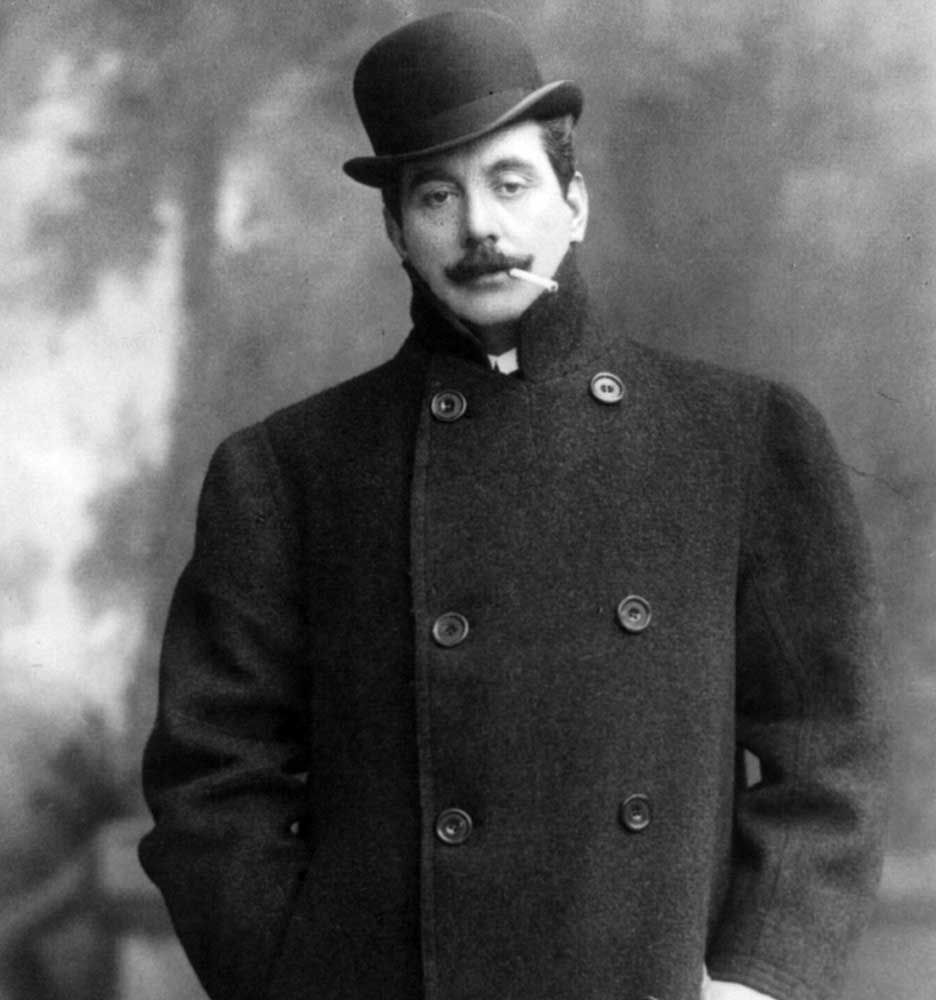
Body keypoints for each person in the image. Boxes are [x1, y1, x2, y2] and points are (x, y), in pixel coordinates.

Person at [139, 10, 888, 1000]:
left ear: (574, 203)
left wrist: (758, 979)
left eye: (510, 183)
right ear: (396, 231)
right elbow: (209, 781)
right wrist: (295, 976)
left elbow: (828, 749)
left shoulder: (739, 439)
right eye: (436, 195)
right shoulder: (287, 471)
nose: (480, 229)